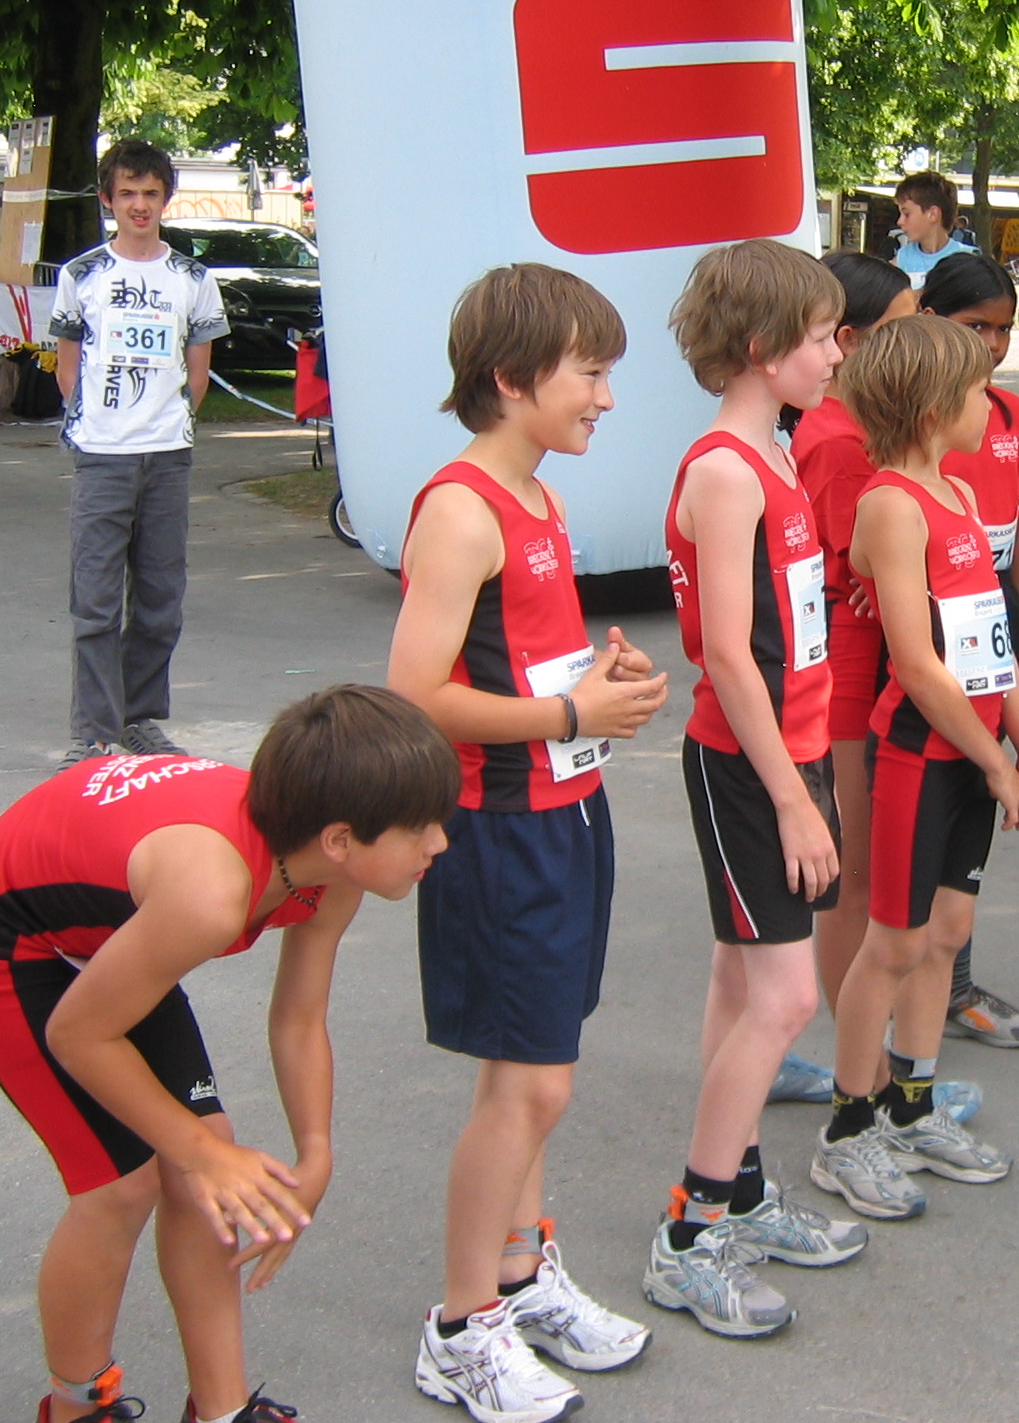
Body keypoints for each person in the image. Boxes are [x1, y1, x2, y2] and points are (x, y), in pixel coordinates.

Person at [0, 686, 453, 1423]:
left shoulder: (332, 871)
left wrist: (316, 1152)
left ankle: (221, 1409)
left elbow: (299, 1019)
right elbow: (78, 1035)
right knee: (122, 1185)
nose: (441, 843)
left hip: (110, 929)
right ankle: (77, 1407)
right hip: (2, 933)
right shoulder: (210, 893)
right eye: (421, 828)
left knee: (210, 1158)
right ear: (340, 838)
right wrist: (199, 1154)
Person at [386, 264, 669, 1420]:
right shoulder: (461, 508)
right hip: (500, 830)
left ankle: (519, 1274)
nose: (606, 396)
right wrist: (566, 711)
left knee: (537, 1074)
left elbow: (511, 662)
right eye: (589, 373)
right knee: (530, 1085)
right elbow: (413, 696)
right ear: (511, 378)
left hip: (568, 811)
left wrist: (596, 684)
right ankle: (460, 1326)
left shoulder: (537, 497)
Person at [651, 239, 870, 1339]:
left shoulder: (775, 453)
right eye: (821, 337)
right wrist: (791, 797)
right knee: (785, 999)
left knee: (743, 981)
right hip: (749, 764)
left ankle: (738, 1191)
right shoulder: (727, 470)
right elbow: (731, 658)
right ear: (759, 346)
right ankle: (690, 1236)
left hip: (790, 750)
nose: (835, 355)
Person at [816, 314, 1019, 1218]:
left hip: (975, 749)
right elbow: (915, 663)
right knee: (896, 942)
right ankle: (848, 1128)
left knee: (947, 933)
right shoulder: (891, 503)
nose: (992, 404)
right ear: (931, 407)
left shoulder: (955, 492)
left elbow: (987, 637)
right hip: (920, 750)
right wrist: (994, 761)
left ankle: (912, 1105)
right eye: (978, 390)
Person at [786, 251, 917, 1105]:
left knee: (866, 880)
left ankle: (867, 1060)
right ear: (853, 341)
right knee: (853, 884)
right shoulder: (837, 440)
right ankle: (860, 1075)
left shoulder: (851, 427)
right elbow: (858, 573)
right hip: (850, 677)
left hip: (863, 666)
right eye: (904, 329)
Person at [52, 139, 226, 769]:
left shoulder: (193, 280)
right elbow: (67, 367)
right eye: (127, 193)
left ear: (165, 198)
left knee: (159, 602)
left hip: (167, 459)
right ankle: (95, 732)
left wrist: (168, 424)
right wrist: (98, 426)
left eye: (150, 193)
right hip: (102, 458)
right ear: (108, 200)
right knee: (95, 603)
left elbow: (198, 375)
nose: (139, 205)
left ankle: (138, 718)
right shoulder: (81, 275)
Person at [920, 251, 1019, 1050]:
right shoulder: (918, 420)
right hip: (935, 623)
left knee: (978, 795)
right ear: (931, 320)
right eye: (977, 327)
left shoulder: (1012, 415)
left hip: (992, 616)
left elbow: (1018, 539)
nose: (993, 345)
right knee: (933, 797)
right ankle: (916, 981)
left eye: (1004, 330)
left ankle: (954, 981)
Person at [892, 171, 975, 285]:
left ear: (933, 214)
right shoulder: (902, 258)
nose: (899, 221)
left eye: (906, 214)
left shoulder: (968, 259)